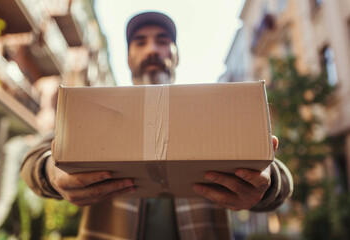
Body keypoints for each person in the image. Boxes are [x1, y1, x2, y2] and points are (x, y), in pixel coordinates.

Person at [21, 11, 293, 240]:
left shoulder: (210, 113)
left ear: (176, 55)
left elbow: (279, 178)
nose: (152, 49)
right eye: (140, 43)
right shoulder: (96, 113)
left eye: (162, 41)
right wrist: (52, 172)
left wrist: (265, 183)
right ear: (127, 58)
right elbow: (33, 160)